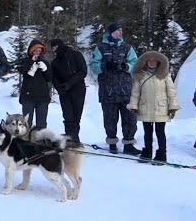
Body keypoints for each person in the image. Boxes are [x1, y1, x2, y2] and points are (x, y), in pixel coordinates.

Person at [90, 22, 141, 155]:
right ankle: (112, 143)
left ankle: (129, 144)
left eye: (120, 31)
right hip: (108, 90)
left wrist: (126, 67)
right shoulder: (101, 47)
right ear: (110, 33)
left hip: (126, 90)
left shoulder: (127, 47)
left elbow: (135, 63)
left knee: (130, 119)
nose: (119, 33)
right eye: (117, 31)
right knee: (110, 119)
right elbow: (94, 65)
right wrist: (104, 67)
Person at [127, 51, 180, 164]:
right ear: (145, 62)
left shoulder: (165, 74)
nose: (152, 63)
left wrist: (172, 107)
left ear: (158, 62)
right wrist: (134, 106)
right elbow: (135, 93)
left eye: (154, 61)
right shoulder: (140, 75)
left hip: (161, 108)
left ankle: (161, 154)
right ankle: (147, 153)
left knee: (160, 132)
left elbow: (171, 92)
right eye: (149, 61)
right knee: (147, 132)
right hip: (145, 107)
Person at [49, 38, 87, 141]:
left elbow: (83, 71)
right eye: (52, 47)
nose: (54, 49)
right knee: (67, 116)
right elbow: (54, 78)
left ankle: (74, 138)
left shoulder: (76, 54)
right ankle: (70, 138)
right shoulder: (55, 62)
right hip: (64, 92)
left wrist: (70, 83)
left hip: (78, 89)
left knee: (76, 116)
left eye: (55, 46)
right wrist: (60, 89)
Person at [17, 39, 52, 129]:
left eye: (40, 50)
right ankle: (26, 141)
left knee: (41, 124)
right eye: (36, 50)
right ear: (31, 51)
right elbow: (22, 70)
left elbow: (49, 78)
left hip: (42, 98)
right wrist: (31, 63)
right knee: (26, 123)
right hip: (28, 97)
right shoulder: (25, 61)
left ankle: (41, 141)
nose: (38, 52)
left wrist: (45, 69)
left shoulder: (45, 62)